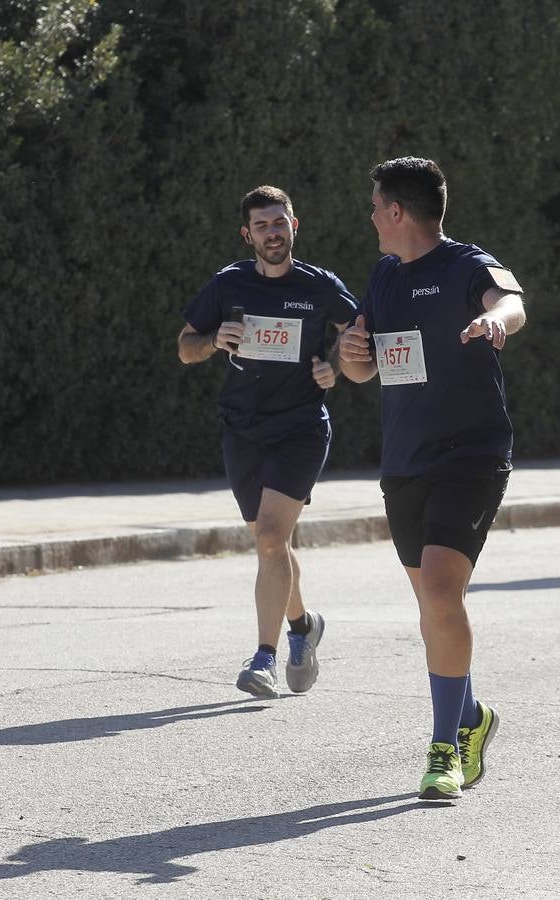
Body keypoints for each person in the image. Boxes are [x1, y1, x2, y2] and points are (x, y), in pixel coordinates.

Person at [338, 157, 524, 802]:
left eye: (374, 206)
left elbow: (512, 298)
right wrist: (350, 356)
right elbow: (361, 368)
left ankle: (446, 749)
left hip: (471, 455)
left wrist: (498, 320)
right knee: (432, 605)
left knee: (442, 591)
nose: (369, 217)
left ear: (396, 212)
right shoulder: (384, 276)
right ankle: (472, 717)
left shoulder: (467, 264)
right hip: (405, 460)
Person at [178, 186, 357, 699]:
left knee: (272, 538)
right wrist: (213, 341)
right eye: (262, 226)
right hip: (243, 430)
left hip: (300, 427)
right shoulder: (229, 284)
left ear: (294, 225)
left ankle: (264, 657)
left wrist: (336, 367)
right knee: (270, 541)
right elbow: (185, 346)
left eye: (280, 222)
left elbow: (360, 333)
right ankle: (303, 626)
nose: (272, 233)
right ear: (247, 234)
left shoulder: (320, 286)